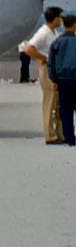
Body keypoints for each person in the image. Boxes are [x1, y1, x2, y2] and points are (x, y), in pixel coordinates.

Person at [25, 7, 64, 144]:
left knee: (59, 101)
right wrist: (43, 58)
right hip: (48, 69)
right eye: (60, 17)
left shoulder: (53, 32)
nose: (61, 20)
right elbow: (29, 49)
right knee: (50, 100)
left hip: (56, 69)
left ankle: (60, 133)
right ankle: (50, 134)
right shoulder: (43, 33)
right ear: (55, 18)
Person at [49, 14, 76, 147]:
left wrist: (54, 79)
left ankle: (70, 138)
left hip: (63, 80)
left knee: (66, 110)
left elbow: (51, 63)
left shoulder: (57, 42)